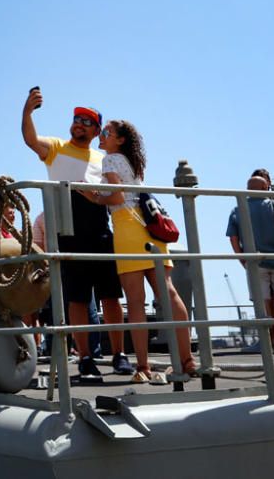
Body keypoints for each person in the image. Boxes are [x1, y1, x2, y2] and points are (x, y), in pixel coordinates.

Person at [21, 88, 131, 379]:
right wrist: (28, 112)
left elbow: (117, 192)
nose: (79, 123)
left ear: (96, 131)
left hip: (99, 229)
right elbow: (31, 140)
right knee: (78, 299)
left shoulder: (101, 158)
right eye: (76, 119)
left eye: (87, 121)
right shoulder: (56, 147)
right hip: (67, 232)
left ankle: (119, 354)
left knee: (110, 296)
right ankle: (84, 358)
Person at [80, 120, 195, 383]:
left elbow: (118, 197)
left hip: (127, 227)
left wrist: (94, 196)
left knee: (135, 301)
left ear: (119, 139)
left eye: (106, 132)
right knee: (168, 292)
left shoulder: (110, 160)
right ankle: (188, 360)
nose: (102, 134)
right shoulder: (133, 162)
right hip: (150, 228)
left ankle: (142, 367)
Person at [227, 175, 274, 353]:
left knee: (264, 303)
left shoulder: (239, 209)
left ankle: (268, 343)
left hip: (255, 262)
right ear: (266, 188)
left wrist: (242, 259)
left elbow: (234, 238)